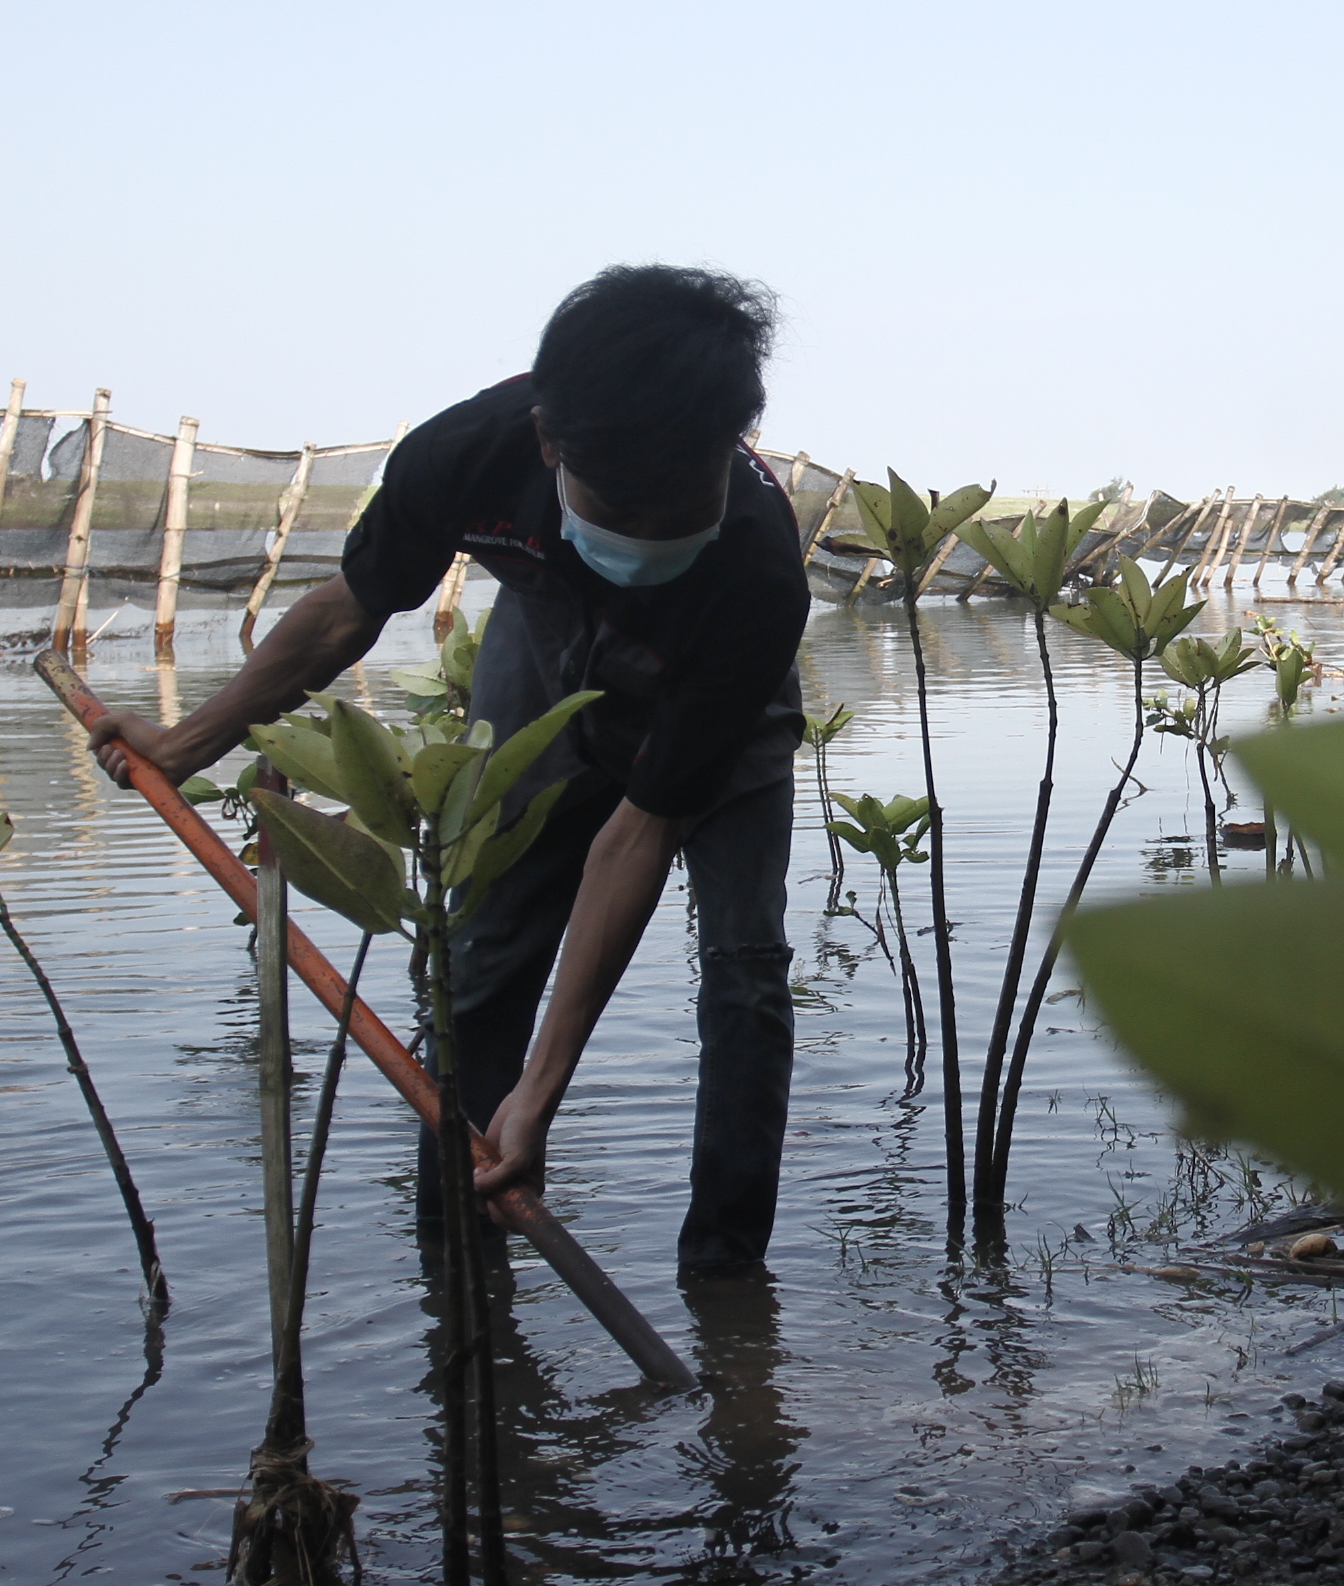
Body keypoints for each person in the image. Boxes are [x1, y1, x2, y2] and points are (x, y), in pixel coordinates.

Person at [88, 265, 808, 1278]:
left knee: (745, 977)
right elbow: (349, 608)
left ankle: (726, 1279)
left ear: (732, 443)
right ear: (551, 442)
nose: (648, 531)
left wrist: (545, 1090)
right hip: (543, 645)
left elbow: (637, 834)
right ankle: (457, 1253)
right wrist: (188, 741)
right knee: (485, 957)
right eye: (621, 507)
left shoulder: (757, 568)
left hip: (712, 688)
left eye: (675, 507)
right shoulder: (467, 452)